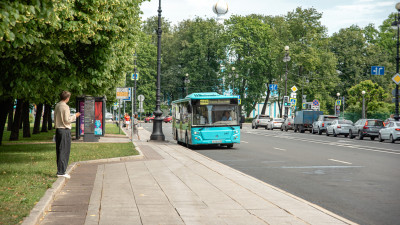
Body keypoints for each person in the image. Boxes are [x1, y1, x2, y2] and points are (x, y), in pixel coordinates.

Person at [54, 91, 81, 179]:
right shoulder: (65, 107)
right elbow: (67, 119)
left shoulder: (57, 105)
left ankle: (60, 170)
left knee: (59, 150)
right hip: (64, 130)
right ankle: (61, 172)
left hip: (58, 130)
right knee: (64, 151)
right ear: (67, 98)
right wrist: (75, 116)